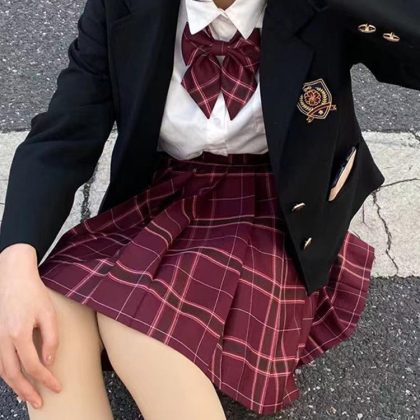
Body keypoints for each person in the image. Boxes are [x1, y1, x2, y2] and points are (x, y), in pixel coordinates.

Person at [0, 0, 419, 418]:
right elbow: (65, 133)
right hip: (164, 194)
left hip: (272, 205)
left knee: (141, 331)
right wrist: (14, 262)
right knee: (47, 323)